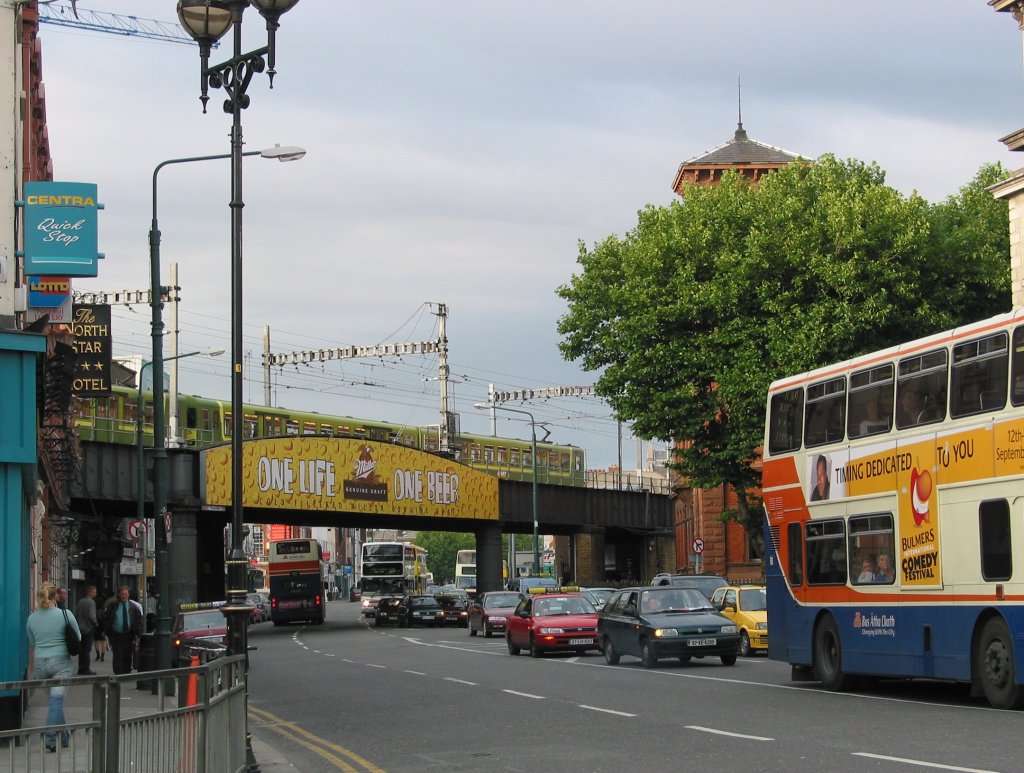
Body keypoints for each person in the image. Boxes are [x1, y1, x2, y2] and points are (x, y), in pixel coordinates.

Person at [27, 582, 79, 751]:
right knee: (56, 701)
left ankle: (64, 736)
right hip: (61, 663)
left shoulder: (32, 618)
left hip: (41, 663)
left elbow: (32, 641)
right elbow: (77, 636)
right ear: (55, 596)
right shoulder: (65, 614)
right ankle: (50, 738)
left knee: (54, 702)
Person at [102, 586, 142, 675]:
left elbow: (138, 621)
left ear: (128, 595)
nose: (124, 596)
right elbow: (106, 617)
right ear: (119, 595)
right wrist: (106, 630)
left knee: (127, 654)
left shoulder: (134, 607)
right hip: (116, 634)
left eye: (125, 594)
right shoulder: (113, 606)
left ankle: (126, 671)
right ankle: (118, 672)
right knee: (118, 653)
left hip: (129, 634)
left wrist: (138, 633)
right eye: (122, 594)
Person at [74, 585, 98, 675]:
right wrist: (96, 623)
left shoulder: (80, 601)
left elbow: (76, 614)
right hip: (88, 629)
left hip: (80, 628)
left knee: (82, 650)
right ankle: (86, 668)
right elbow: (92, 616)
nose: (95, 594)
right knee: (87, 650)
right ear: (90, 592)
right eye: (94, 592)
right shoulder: (91, 602)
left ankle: (81, 667)